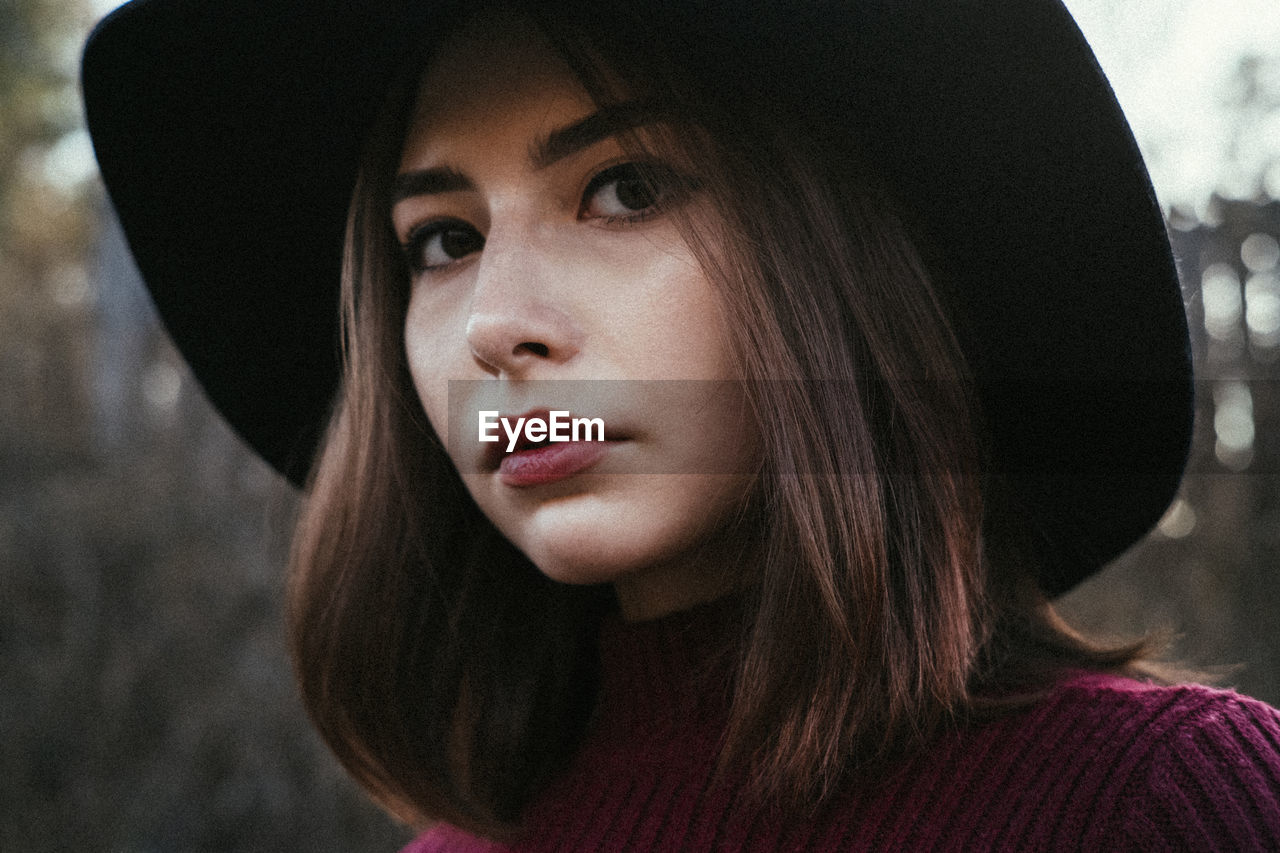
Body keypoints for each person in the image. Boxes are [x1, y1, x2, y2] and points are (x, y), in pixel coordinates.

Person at [83, 0, 1280, 849]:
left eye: (625, 189)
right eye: (442, 241)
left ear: (840, 264)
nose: (497, 326)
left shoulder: (1159, 806)